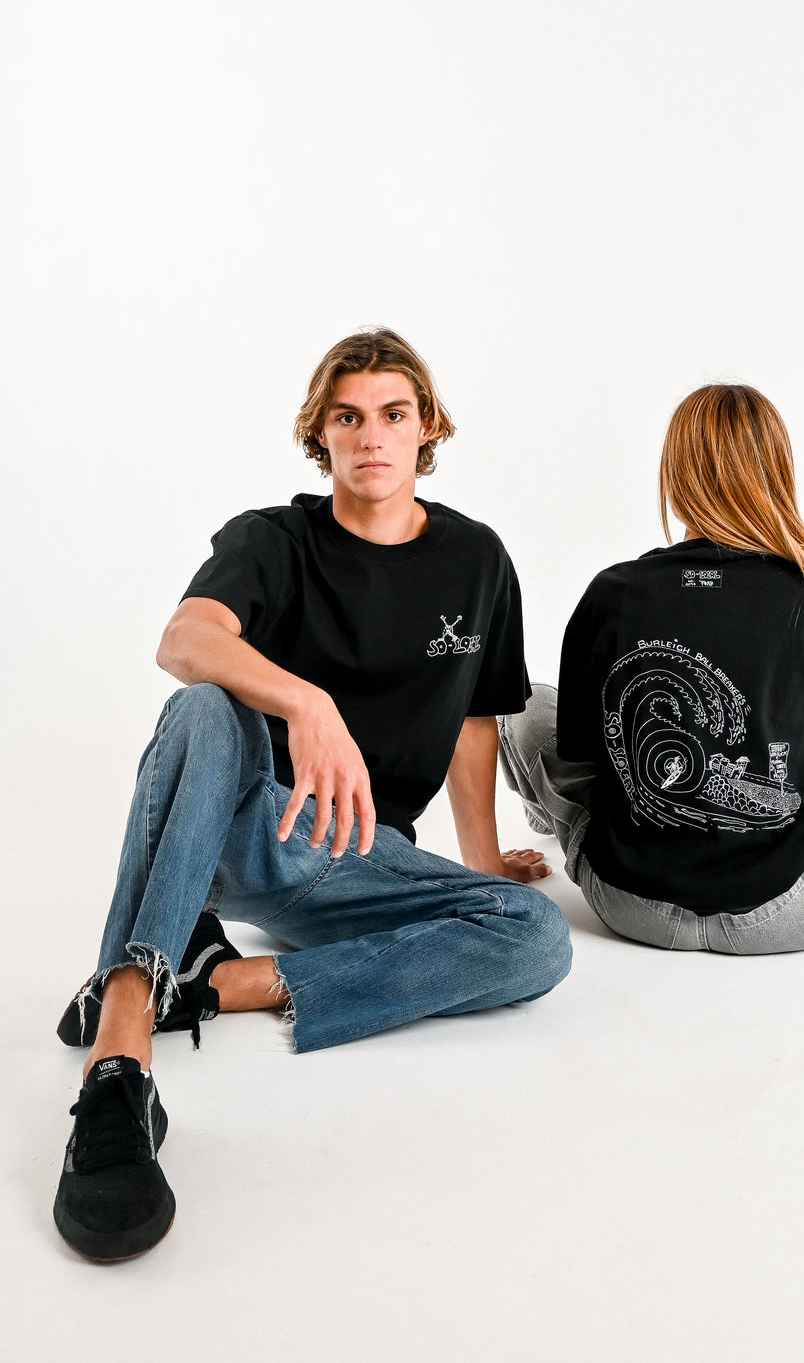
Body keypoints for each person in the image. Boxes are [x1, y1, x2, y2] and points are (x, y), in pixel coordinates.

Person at [54, 328, 571, 1262]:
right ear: (320, 434)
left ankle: (212, 986)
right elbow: (183, 638)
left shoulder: (478, 561)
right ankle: (120, 1048)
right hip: (257, 825)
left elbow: (473, 723)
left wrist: (484, 862)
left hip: (366, 859)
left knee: (537, 939)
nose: (372, 436)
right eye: (348, 417)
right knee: (208, 708)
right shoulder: (274, 540)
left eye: (394, 415)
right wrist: (303, 700)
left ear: (426, 431)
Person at [500, 383, 804, 953]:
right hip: (791, 910)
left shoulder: (611, 594)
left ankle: (542, 827)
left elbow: (586, 754)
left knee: (521, 701)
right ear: (777, 473)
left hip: (627, 905)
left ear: (676, 479)